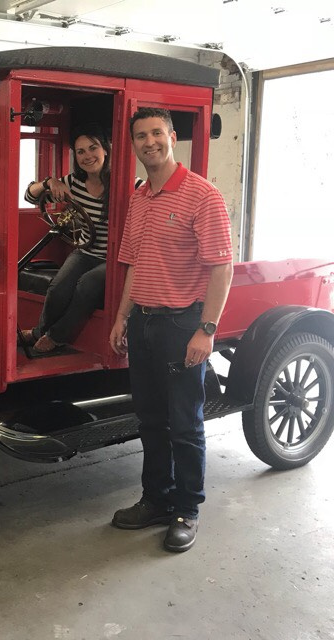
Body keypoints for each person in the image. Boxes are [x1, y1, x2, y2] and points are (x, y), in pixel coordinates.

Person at [109, 107, 233, 552]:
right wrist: (123, 317)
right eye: (140, 135)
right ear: (133, 144)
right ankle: (155, 500)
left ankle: (187, 509)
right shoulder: (139, 196)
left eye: (156, 133)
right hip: (143, 322)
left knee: (185, 424)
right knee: (151, 422)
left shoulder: (202, 195)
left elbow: (222, 267)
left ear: (172, 136)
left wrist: (207, 330)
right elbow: (133, 265)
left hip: (183, 325)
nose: (149, 142)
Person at [22, 123, 142, 353]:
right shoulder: (73, 183)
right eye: (80, 152)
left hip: (116, 259)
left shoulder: (130, 183)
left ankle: (56, 336)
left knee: (87, 284)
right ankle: (39, 331)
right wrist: (50, 183)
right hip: (86, 252)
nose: (88, 156)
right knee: (57, 287)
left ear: (105, 150)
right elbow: (29, 195)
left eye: (93, 148)